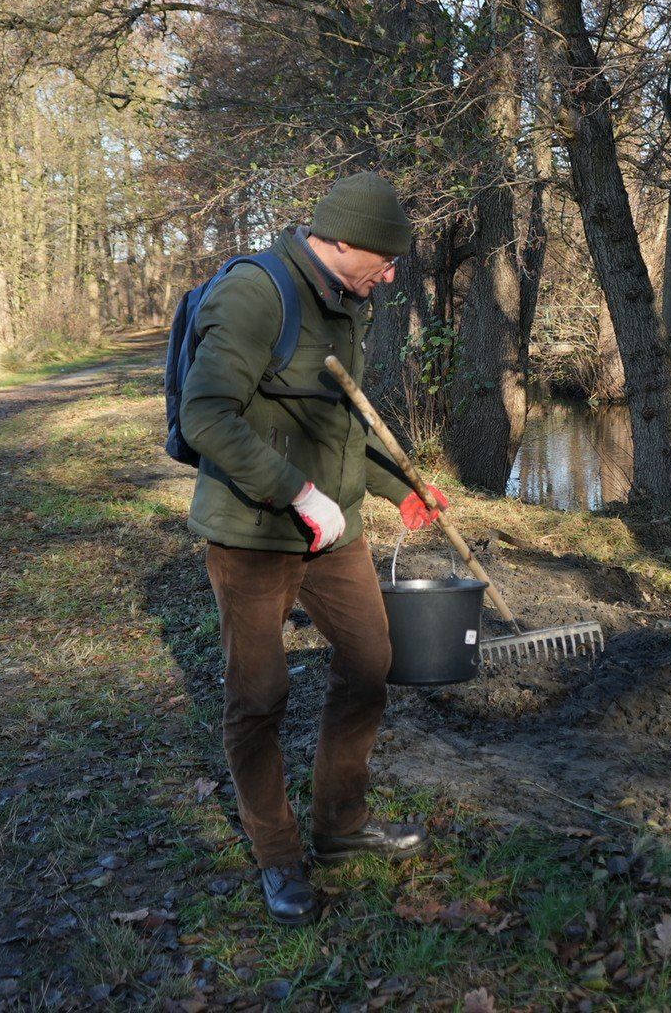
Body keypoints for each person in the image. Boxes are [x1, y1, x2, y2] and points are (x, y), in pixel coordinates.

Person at [179, 171, 450, 925]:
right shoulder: (255, 294)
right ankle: (277, 856)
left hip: (337, 535)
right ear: (344, 243)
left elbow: (338, 430)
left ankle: (341, 828)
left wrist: (395, 488)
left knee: (369, 666)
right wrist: (296, 494)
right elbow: (207, 417)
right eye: (386, 261)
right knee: (258, 698)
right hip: (254, 535)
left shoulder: (347, 305)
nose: (392, 275)